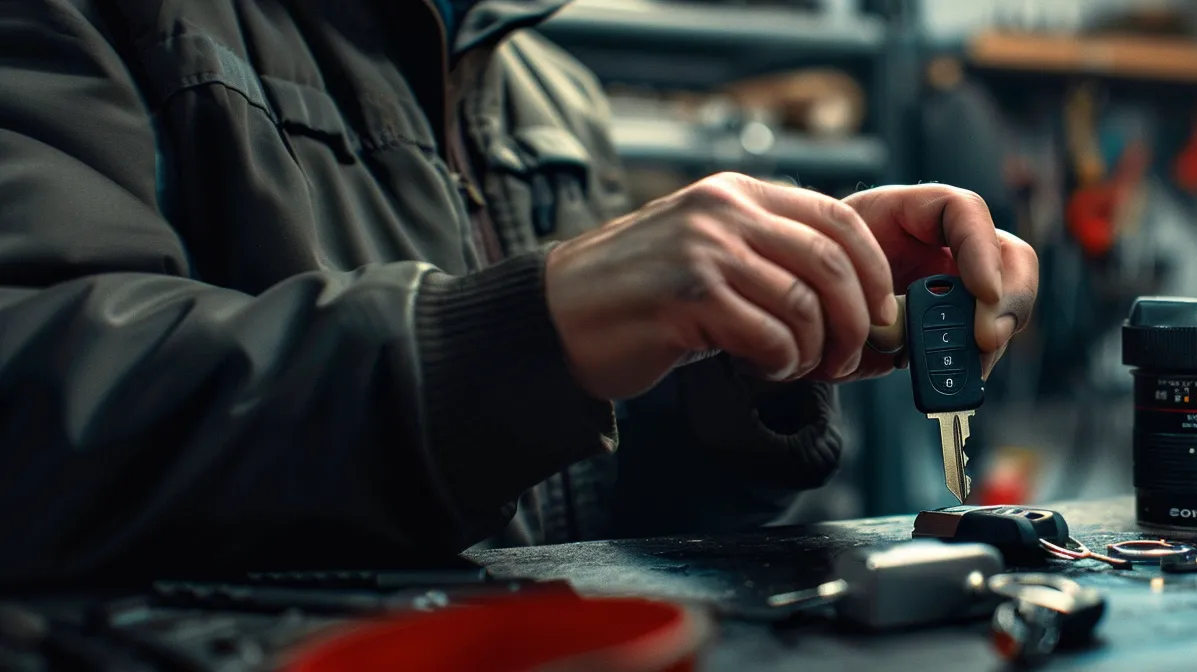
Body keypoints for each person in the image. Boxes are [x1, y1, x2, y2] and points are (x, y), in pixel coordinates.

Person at [0, 0, 1037, 584]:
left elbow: (569, 513)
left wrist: (743, 361)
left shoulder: (545, 90)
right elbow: (33, 409)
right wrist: (523, 331)